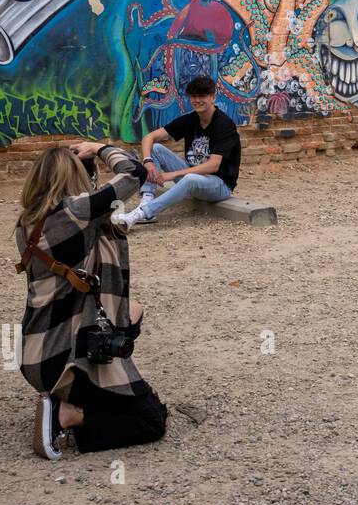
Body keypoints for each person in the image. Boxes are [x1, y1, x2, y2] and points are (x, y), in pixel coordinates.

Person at [15, 141, 167, 459]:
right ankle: (66, 415)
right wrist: (100, 148)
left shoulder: (28, 222)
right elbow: (135, 171)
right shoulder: (76, 211)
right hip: (63, 359)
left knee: (132, 313)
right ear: (73, 178)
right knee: (152, 419)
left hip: (34, 355)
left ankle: (74, 394)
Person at [116, 76, 241, 226]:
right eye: (194, 96)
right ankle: (147, 198)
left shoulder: (224, 124)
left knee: (189, 178)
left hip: (219, 185)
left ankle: (143, 213)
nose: (197, 100)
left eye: (202, 96)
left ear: (213, 97)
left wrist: (173, 174)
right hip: (193, 176)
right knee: (156, 148)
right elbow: (149, 137)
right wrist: (147, 161)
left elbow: (213, 166)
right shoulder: (190, 119)